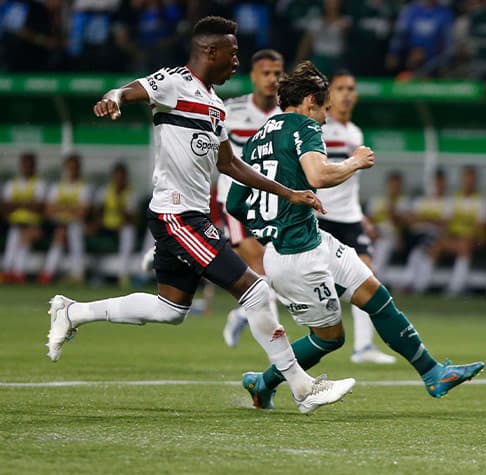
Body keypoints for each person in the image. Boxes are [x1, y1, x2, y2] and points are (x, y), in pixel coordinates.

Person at [45, 16, 354, 415]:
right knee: (254, 290)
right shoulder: (174, 82)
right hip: (176, 214)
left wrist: (290, 192)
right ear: (211, 51)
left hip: (191, 216)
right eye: (234, 53)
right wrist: (115, 99)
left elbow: (232, 165)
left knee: (169, 309)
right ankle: (301, 386)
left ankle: (72, 312)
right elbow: (126, 90)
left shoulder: (215, 106)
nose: (237, 61)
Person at [226, 61, 484, 409]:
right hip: (297, 258)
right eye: (326, 108)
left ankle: (433, 373)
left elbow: (235, 202)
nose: (326, 117)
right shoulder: (304, 125)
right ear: (312, 100)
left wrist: (264, 230)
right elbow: (317, 176)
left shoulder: (257, 139)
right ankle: (264, 382)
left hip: (310, 241)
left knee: (376, 296)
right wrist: (354, 162)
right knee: (330, 338)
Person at [316, 70, 396, 364]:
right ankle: (249, 311)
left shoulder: (355, 133)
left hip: (349, 219)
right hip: (322, 217)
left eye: (351, 88)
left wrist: (361, 217)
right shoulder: (320, 130)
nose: (347, 93)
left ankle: (363, 347)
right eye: (340, 88)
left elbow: (351, 183)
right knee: (314, 283)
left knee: (367, 277)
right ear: (329, 94)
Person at [216, 48, 284, 348]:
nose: (272, 79)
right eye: (266, 73)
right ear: (253, 76)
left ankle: (243, 314)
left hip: (273, 202)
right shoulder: (230, 110)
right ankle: (277, 343)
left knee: (274, 270)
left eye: (277, 73)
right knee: (258, 261)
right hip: (236, 200)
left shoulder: (287, 114)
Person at [416, 166, 486, 296]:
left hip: (474, 241)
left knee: (464, 244)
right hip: (456, 239)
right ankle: (421, 286)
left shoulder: (481, 202)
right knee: (437, 245)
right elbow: (446, 224)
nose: (468, 182)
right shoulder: (454, 199)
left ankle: (455, 288)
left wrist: (465, 237)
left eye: (471, 179)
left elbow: (481, 228)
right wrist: (447, 237)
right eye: (466, 179)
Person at [40, 153, 91, 284]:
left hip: (75, 224)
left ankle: (50, 273)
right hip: (56, 224)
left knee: (73, 230)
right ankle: (76, 273)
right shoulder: (57, 187)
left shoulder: (84, 187)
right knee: (62, 231)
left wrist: (61, 207)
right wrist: (71, 208)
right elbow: (49, 210)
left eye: (75, 167)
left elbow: (82, 212)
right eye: (69, 167)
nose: (72, 170)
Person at [88, 162, 138, 286]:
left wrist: (119, 201)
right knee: (88, 230)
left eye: (122, 177)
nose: (119, 180)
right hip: (105, 227)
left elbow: (130, 218)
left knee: (128, 231)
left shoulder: (130, 193)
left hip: (121, 228)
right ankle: (92, 274)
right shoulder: (104, 191)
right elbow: (98, 211)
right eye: (117, 176)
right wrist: (96, 223)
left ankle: (123, 274)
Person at [403, 169, 450, 294]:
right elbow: (410, 219)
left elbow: (444, 224)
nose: (437, 186)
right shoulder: (420, 201)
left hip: (434, 236)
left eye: (440, 183)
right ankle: (412, 284)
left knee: (422, 252)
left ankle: (415, 285)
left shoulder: (447, 203)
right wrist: (431, 219)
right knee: (418, 252)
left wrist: (423, 219)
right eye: (435, 183)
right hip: (416, 235)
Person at [2, 152, 46, 283]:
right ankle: (9, 271)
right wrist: (28, 203)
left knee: (24, 235)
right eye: (24, 164)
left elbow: (38, 206)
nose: (27, 167)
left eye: (30, 164)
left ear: (34, 166)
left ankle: (15, 272)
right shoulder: (12, 184)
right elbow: (5, 207)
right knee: (15, 234)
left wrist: (17, 204)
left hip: (32, 224)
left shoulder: (39, 184)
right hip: (14, 224)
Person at [367, 171, 411, 278]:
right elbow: (368, 220)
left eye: (397, 185)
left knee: (383, 244)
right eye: (392, 184)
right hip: (376, 233)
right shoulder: (376, 201)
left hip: (394, 236)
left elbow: (402, 223)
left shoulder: (405, 202)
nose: (394, 187)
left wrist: (392, 209)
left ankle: (375, 278)